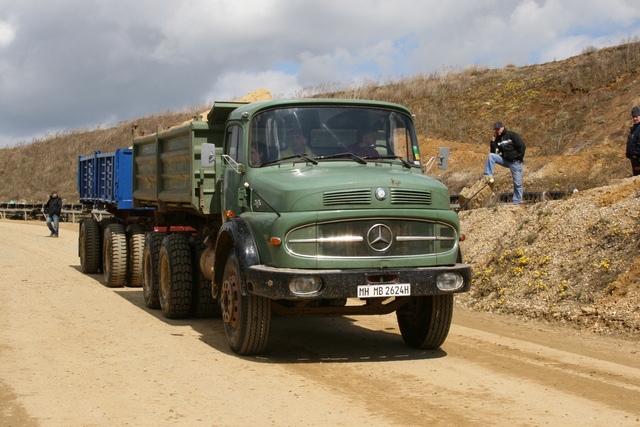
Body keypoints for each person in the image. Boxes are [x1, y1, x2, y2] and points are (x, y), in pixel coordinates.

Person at [483, 122, 526, 204]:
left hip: (515, 162)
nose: (497, 131)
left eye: (498, 129)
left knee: (517, 183)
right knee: (491, 156)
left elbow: (522, 146)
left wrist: (519, 158)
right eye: (496, 129)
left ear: (503, 127)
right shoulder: (498, 139)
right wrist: (493, 141)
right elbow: (494, 152)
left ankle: (517, 201)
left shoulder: (511, 135)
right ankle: (488, 175)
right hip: (505, 160)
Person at [626, 106, 640, 176]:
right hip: (635, 159)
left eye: (637, 117)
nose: (635, 119)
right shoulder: (635, 128)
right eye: (634, 117)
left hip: (638, 158)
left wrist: (635, 154)